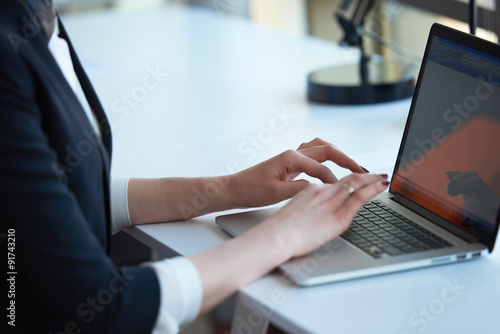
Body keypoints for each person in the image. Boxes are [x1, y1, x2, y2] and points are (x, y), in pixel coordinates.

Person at [0, 1, 389, 333]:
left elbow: (56, 196)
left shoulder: (33, 12)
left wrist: (230, 189)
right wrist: (282, 235)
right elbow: (103, 311)